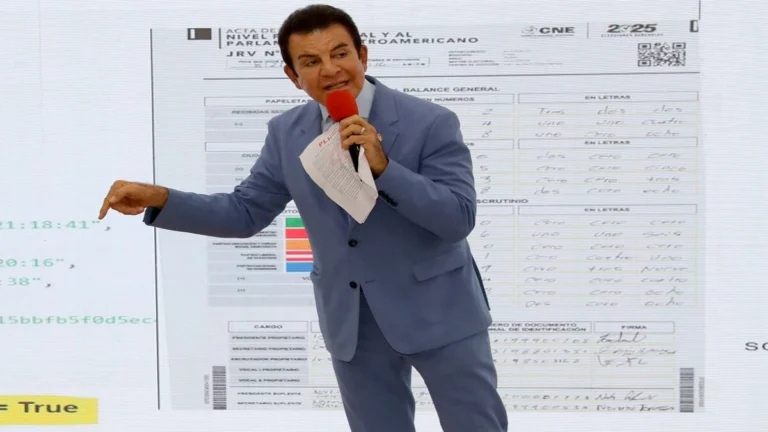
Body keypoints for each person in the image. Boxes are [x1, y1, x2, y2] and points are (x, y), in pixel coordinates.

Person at [98, 4, 508, 431]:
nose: (330, 69)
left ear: (362, 56)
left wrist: (385, 169)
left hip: (441, 313)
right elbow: (245, 212)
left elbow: (457, 219)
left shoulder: (432, 121)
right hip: (352, 323)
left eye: (340, 53)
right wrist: (161, 198)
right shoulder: (286, 132)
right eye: (311, 62)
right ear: (293, 76)